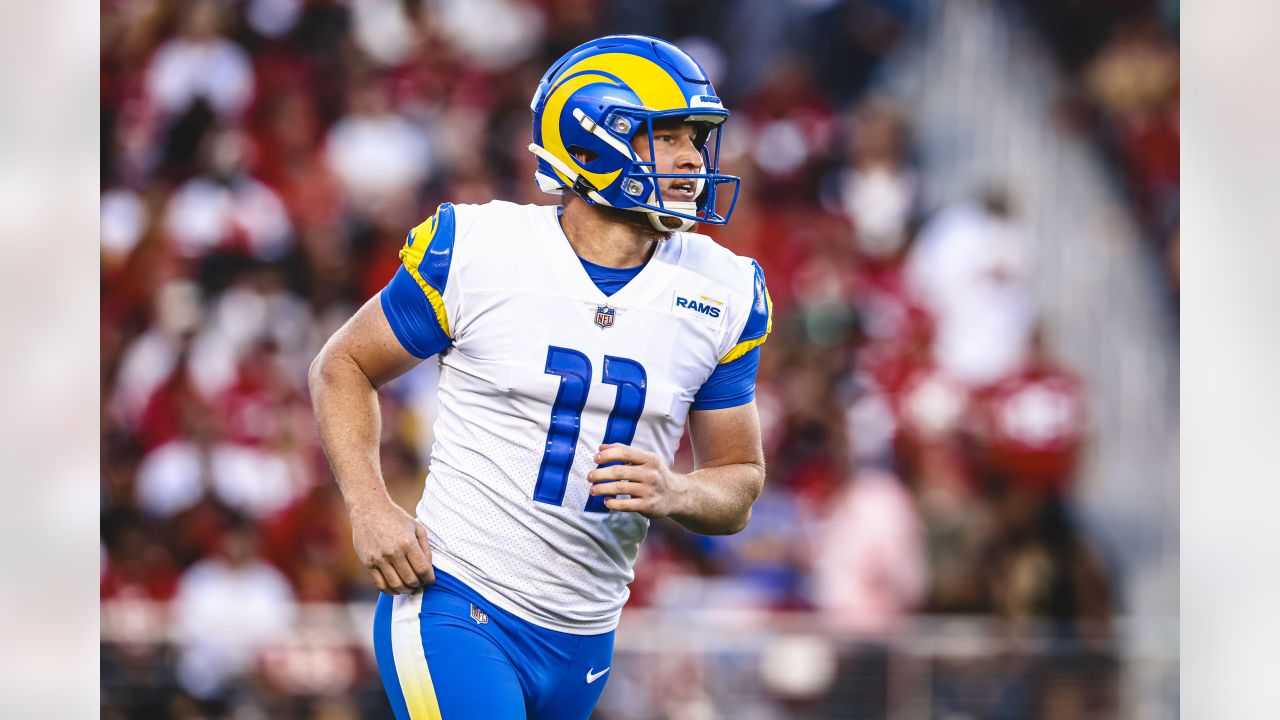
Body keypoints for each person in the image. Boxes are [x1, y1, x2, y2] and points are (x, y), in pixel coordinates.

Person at [309, 35, 772, 719]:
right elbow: (342, 364)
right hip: (457, 601)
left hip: (585, 638)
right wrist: (370, 506)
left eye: (696, 139)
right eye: (664, 136)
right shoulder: (480, 251)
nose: (689, 160)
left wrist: (675, 490)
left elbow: (738, 482)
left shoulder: (725, 290)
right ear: (588, 140)